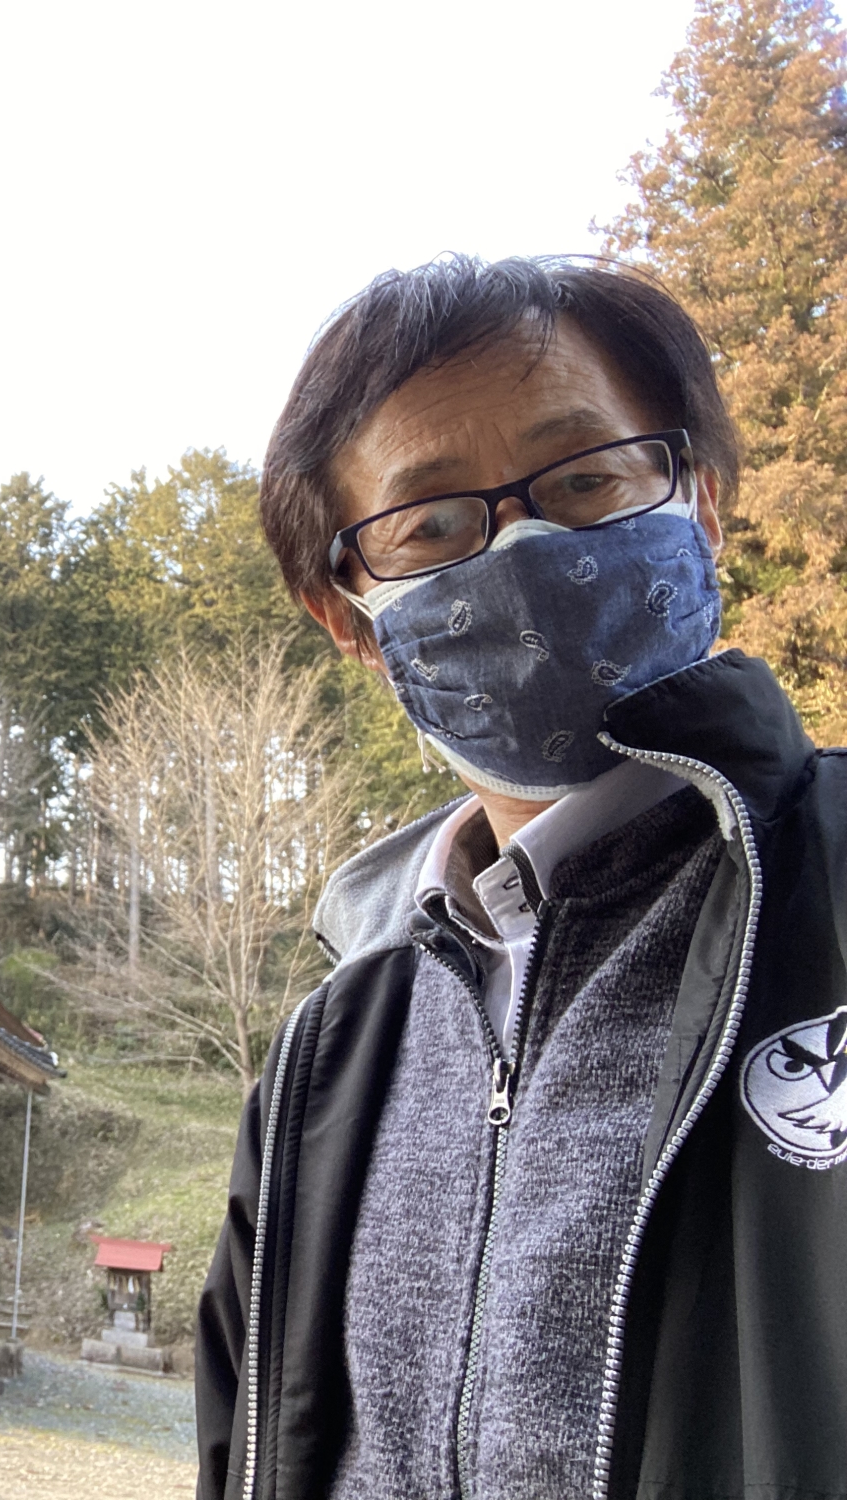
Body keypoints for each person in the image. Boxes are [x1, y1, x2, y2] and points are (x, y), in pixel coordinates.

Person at [194, 255, 846, 1500]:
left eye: (586, 479)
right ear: (347, 618)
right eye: (432, 524)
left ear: (698, 504)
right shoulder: (328, 1051)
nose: (526, 543)